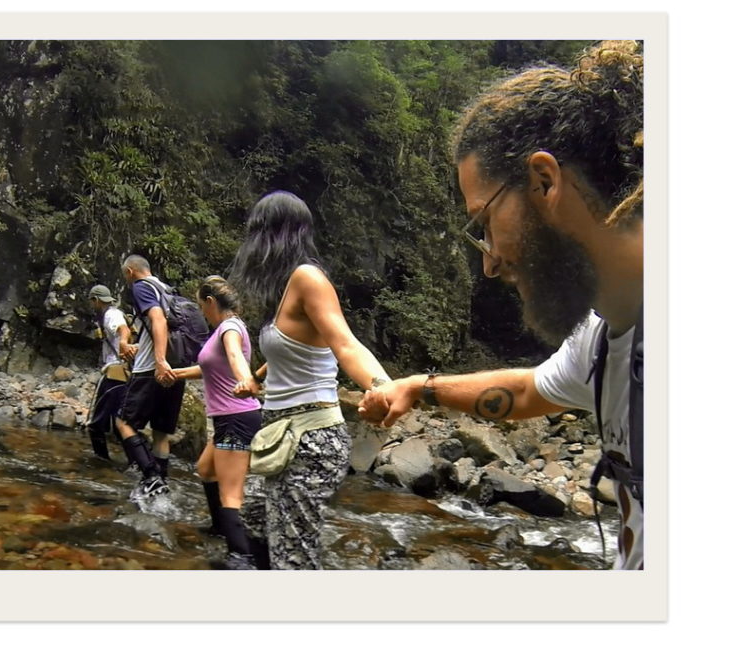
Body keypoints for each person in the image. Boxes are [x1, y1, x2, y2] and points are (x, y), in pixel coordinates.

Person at [359, 41, 644, 570]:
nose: (488, 263)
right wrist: (419, 389)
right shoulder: (602, 337)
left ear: (544, 181)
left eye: (484, 224)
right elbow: (528, 389)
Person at [228, 190, 392, 570]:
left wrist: (382, 387)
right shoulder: (284, 289)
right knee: (255, 531)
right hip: (282, 437)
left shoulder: (308, 278)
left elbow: (345, 345)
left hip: (310, 441)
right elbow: (294, 350)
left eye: (257, 231)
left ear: (274, 234)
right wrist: (255, 378)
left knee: (293, 560)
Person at [170, 276, 262, 570]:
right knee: (205, 469)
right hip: (227, 419)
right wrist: (178, 374)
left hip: (237, 418)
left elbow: (235, 355)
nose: (202, 312)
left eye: (201, 306)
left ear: (211, 302)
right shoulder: (222, 330)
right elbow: (209, 367)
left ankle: (242, 556)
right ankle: (221, 529)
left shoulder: (230, 328)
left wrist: (245, 379)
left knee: (231, 492)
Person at [115, 254, 186, 499]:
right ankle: (161, 487)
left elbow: (158, 319)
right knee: (161, 433)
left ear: (130, 272)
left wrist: (158, 360)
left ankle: (151, 477)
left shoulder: (141, 287)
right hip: (176, 371)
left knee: (124, 423)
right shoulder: (167, 289)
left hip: (150, 370)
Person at [85, 284, 131, 461]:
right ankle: (137, 463)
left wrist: (124, 343)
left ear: (96, 300)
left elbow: (123, 329)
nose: (91, 305)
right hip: (121, 375)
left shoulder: (111, 315)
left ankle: (102, 463)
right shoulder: (111, 314)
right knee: (119, 425)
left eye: (92, 301)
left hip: (115, 374)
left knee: (96, 424)